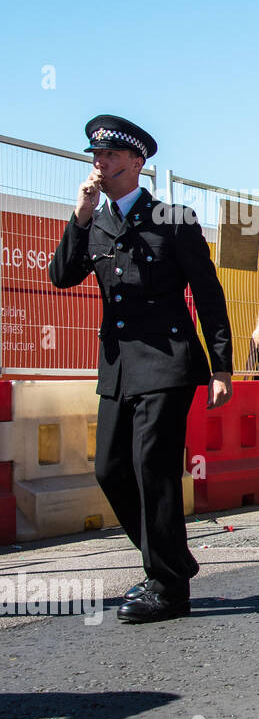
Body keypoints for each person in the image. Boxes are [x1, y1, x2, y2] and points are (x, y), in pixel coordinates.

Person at [48, 115, 234, 624]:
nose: (99, 164)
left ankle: (168, 586)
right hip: (118, 367)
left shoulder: (174, 218)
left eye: (109, 156)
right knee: (110, 469)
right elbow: (61, 276)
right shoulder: (97, 220)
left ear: (137, 163)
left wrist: (222, 367)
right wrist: (80, 217)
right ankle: (170, 558)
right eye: (96, 156)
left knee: (153, 468)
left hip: (167, 362)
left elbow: (209, 293)